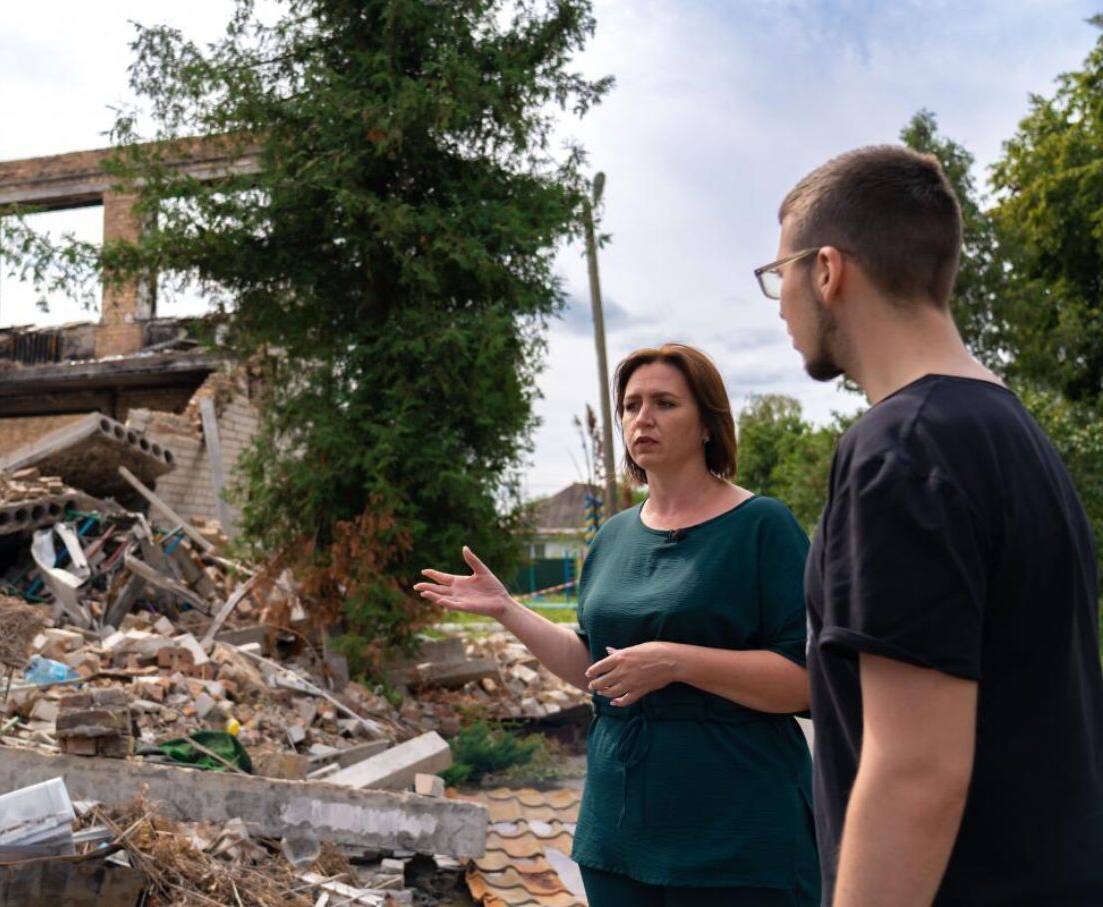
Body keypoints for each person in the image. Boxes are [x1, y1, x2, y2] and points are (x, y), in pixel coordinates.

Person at [760, 145, 1103, 906]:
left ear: (827, 270)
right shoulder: (1014, 435)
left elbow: (915, 774)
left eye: (779, 272)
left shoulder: (901, 452)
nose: (779, 301)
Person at [416, 343, 819, 906]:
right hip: (619, 835)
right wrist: (508, 609)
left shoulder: (761, 527)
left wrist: (676, 662)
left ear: (708, 423)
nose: (642, 418)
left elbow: (807, 682)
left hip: (738, 834)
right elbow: (595, 667)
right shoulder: (612, 537)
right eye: (631, 405)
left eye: (664, 403)